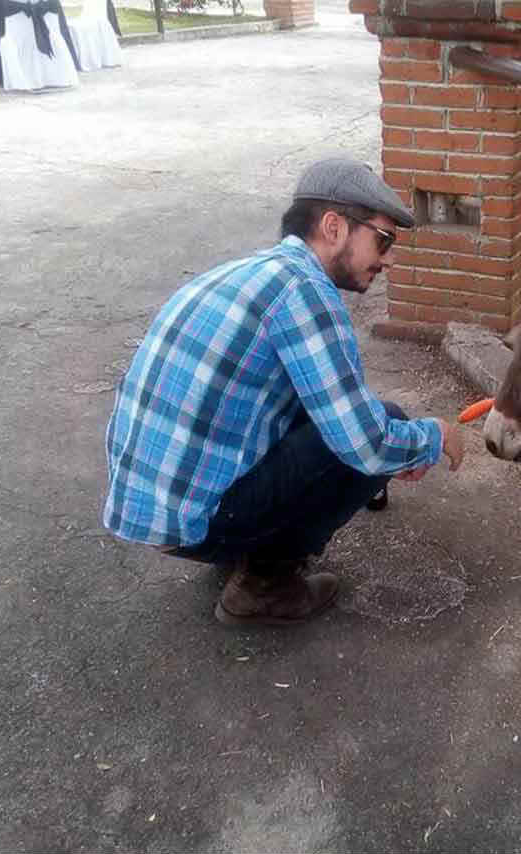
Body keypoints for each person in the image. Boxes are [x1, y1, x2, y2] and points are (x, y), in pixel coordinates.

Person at [102, 157, 465, 627]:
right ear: (334, 227)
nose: (389, 259)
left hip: (151, 507)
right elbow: (366, 445)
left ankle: (243, 547)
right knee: (381, 427)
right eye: (383, 240)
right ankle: (264, 586)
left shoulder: (254, 272)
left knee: (368, 424)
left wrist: (393, 453)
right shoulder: (306, 295)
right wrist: (433, 437)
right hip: (195, 523)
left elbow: (327, 408)